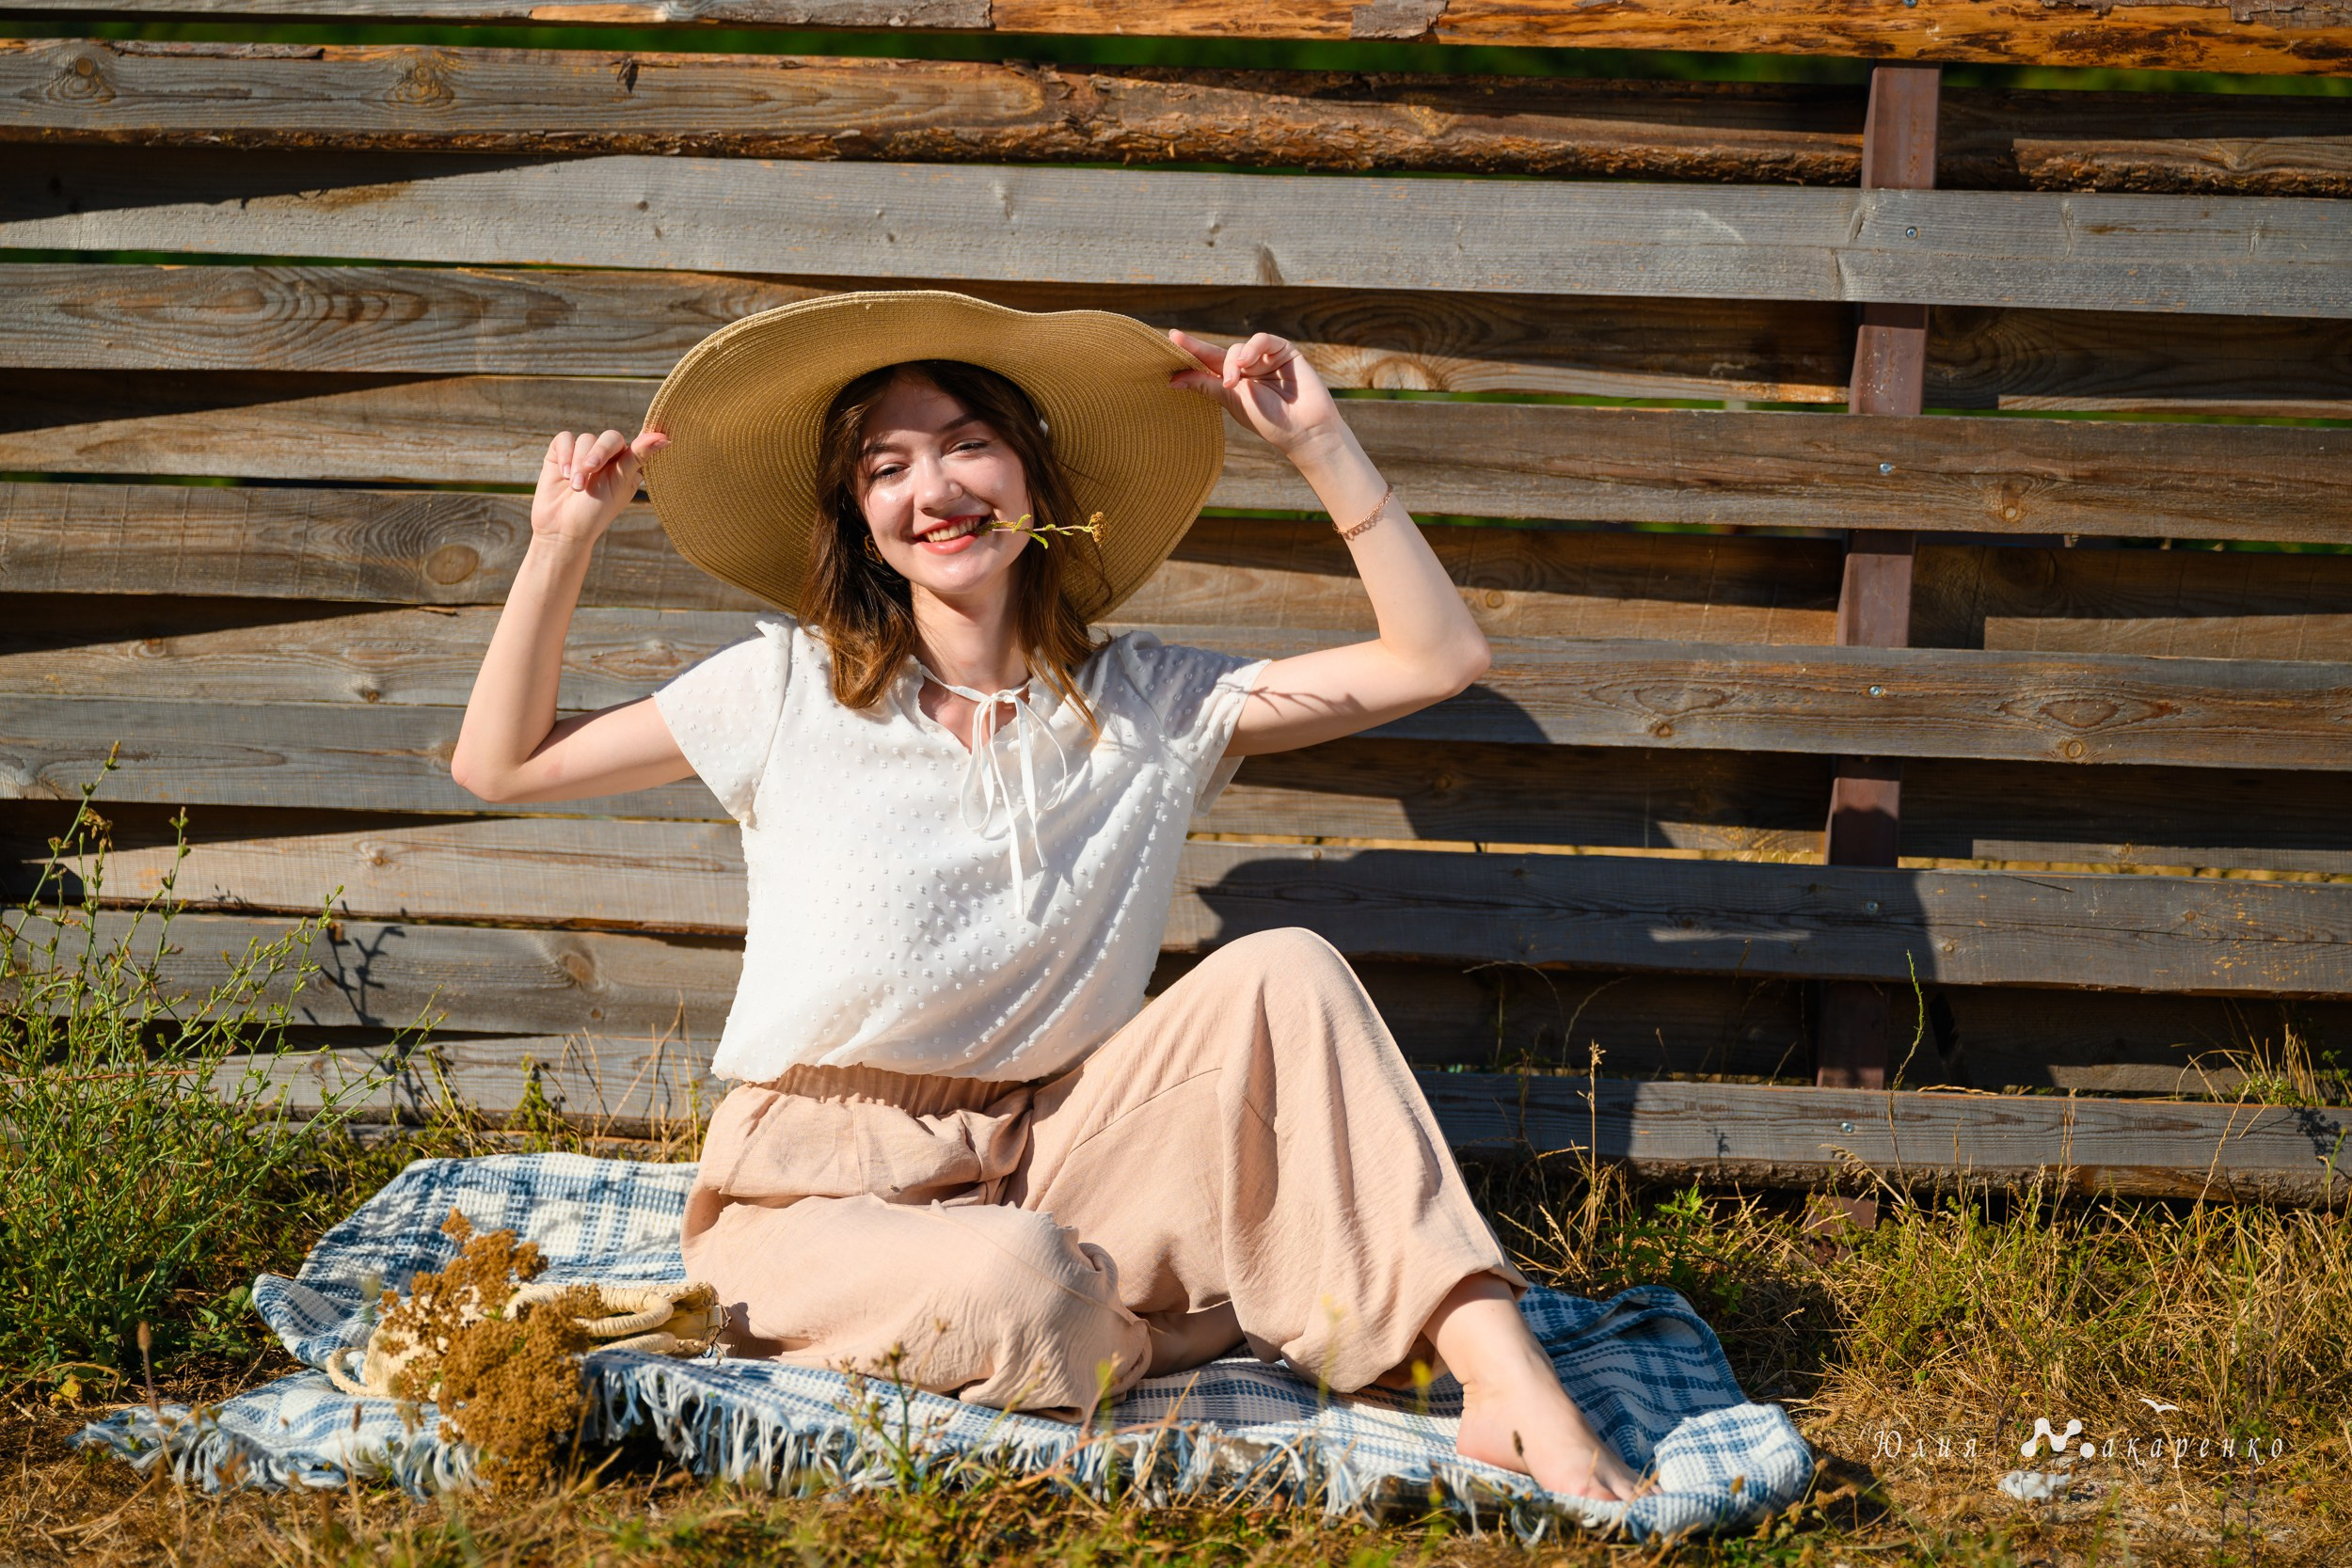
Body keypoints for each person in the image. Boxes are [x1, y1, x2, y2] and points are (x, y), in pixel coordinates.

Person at [449, 291, 1649, 1502]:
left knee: (1286, 969)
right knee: (1020, 1289)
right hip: (810, 1187)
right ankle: (1177, 1332)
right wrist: (563, 542)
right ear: (862, 522)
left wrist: (1317, 444)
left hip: (1057, 1145)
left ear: (1031, 481)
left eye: (968, 443)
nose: (936, 488)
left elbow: (1438, 658)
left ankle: (1507, 1388)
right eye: (887, 466)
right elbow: (502, 765)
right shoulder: (784, 688)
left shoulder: (1148, 702)